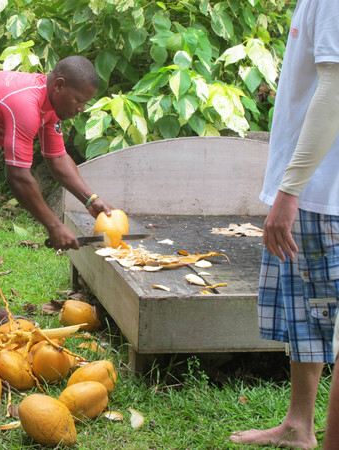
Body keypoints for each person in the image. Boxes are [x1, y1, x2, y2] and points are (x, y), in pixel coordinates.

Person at [228, 0, 339, 448]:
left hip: (323, 193)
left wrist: (290, 190)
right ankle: (298, 425)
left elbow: (334, 88)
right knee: (308, 315)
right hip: (310, 191)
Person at [0, 57, 113, 325]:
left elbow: (56, 157)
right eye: (78, 100)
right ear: (59, 85)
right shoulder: (26, 105)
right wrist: (54, 226)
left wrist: (91, 199)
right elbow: (19, 177)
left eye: (85, 103)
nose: (80, 109)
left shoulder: (49, 105)